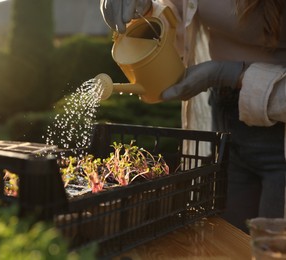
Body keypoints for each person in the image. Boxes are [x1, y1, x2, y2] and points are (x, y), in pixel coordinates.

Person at [100, 0, 286, 233]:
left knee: (272, 246)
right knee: (226, 242)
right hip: (225, 120)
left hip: (280, 133)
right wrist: (146, 8)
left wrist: (230, 73)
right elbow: (181, 12)